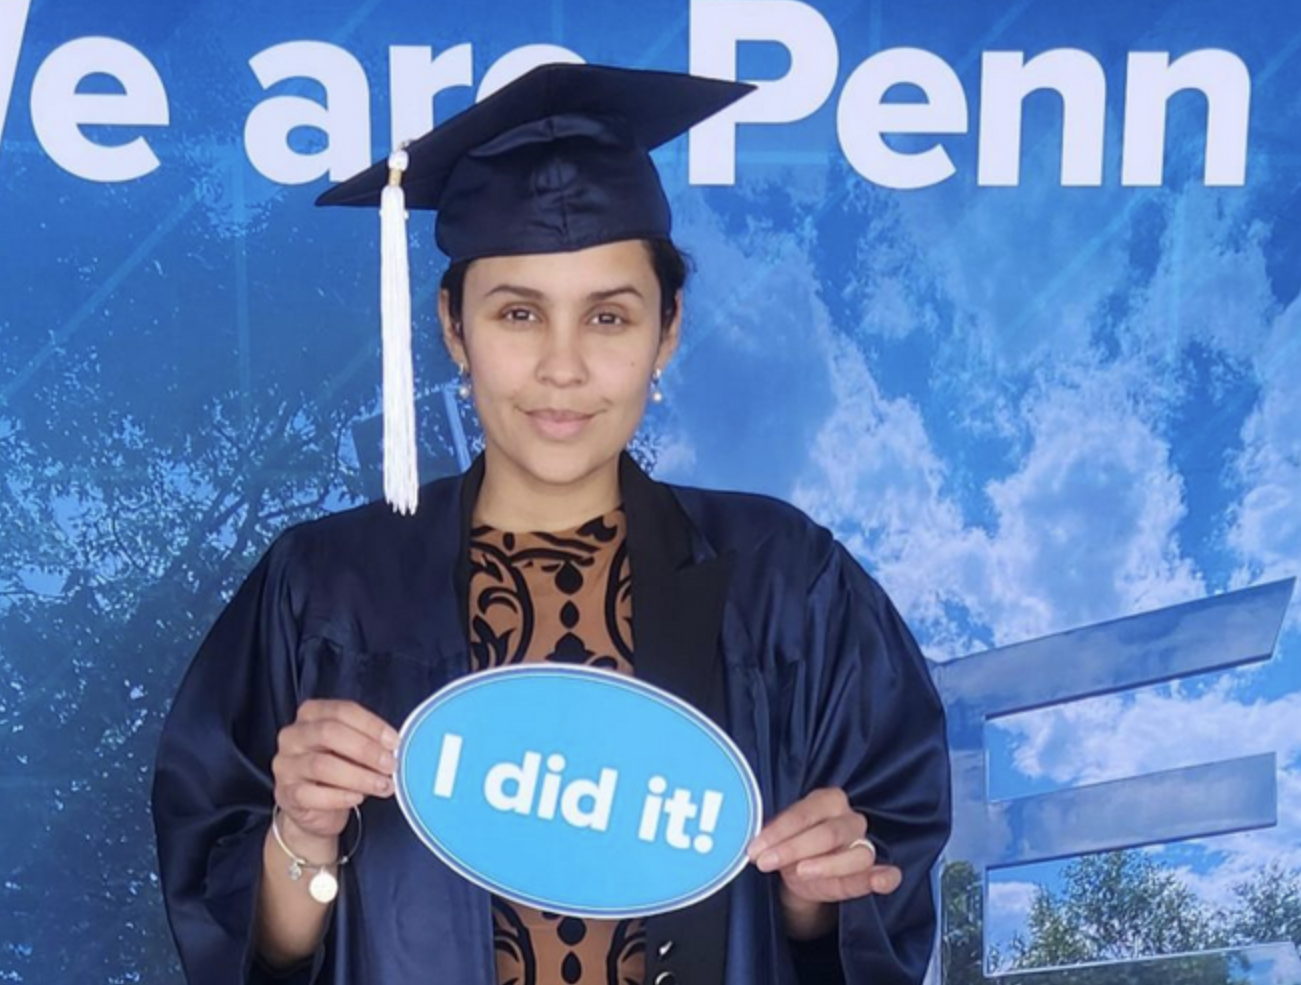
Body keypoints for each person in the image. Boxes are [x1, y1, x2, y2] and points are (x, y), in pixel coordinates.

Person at [152, 63, 950, 985]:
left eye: (609, 316)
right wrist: (302, 836)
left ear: (668, 329)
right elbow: (257, 950)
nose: (562, 368)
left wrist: (818, 895)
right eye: (519, 313)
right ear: (453, 326)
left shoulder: (783, 585)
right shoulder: (326, 588)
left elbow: (868, 903)